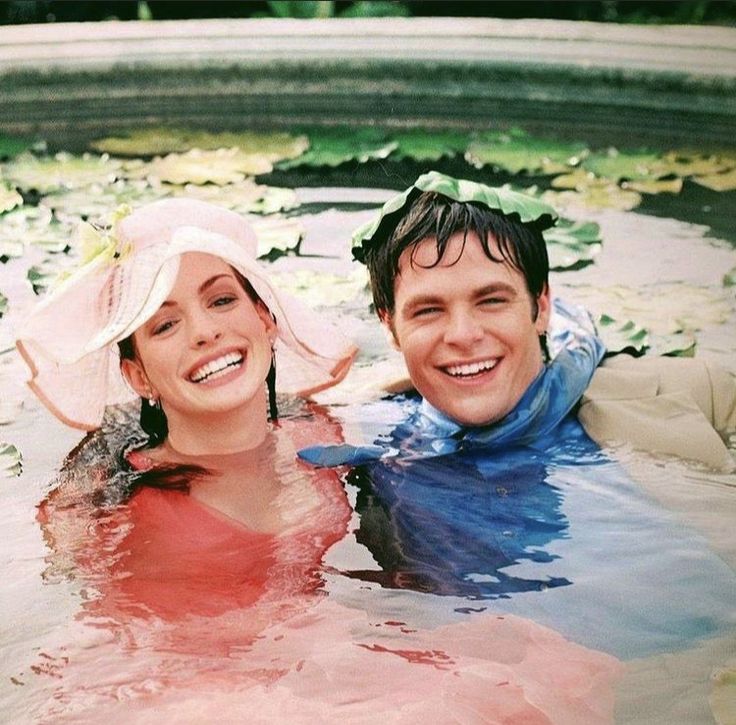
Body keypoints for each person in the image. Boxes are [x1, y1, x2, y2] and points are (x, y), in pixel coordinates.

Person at [18, 198, 622, 723]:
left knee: (545, 658)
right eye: (165, 324)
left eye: (222, 300)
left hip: (320, 655)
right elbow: (134, 651)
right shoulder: (138, 513)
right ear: (137, 373)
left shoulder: (315, 426)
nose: (203, 332)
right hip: (202, 693)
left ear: (265, 318)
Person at [298, 171, 736, 660]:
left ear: (541, 305)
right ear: (392, 327)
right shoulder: (357, 437)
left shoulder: (705, 393)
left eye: (491, 300)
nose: (463, 334)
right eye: (428, 311)